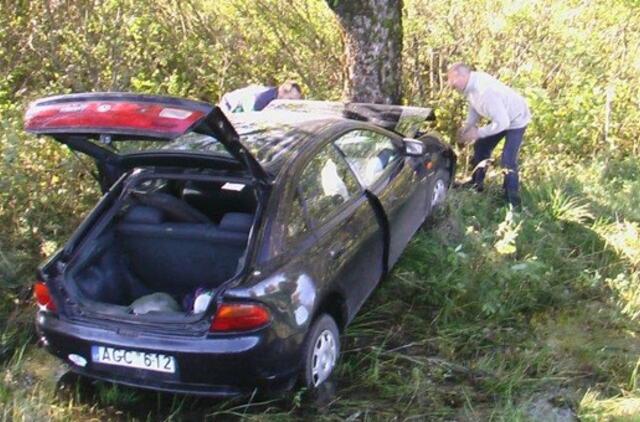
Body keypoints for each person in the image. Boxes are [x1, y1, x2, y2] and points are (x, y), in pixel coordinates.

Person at [447, 63, 531, 207]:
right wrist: (468, 126)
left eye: (453, 79)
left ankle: (512, 202)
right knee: (481, 146)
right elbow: (474, 107)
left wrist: (477, 133)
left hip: (516, 119)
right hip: (502, 117)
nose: (451, 83)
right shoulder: (470, 87)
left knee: (508, 160)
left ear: (463, 75)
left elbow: (503, 123)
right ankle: (476, 183)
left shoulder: (484, 91)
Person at [219, 81, 303, 113]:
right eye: (290, 99)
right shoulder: (263, 97)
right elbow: (249, 117)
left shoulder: (277, 102)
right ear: (282, 92)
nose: (291, 103)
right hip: (229, 105)